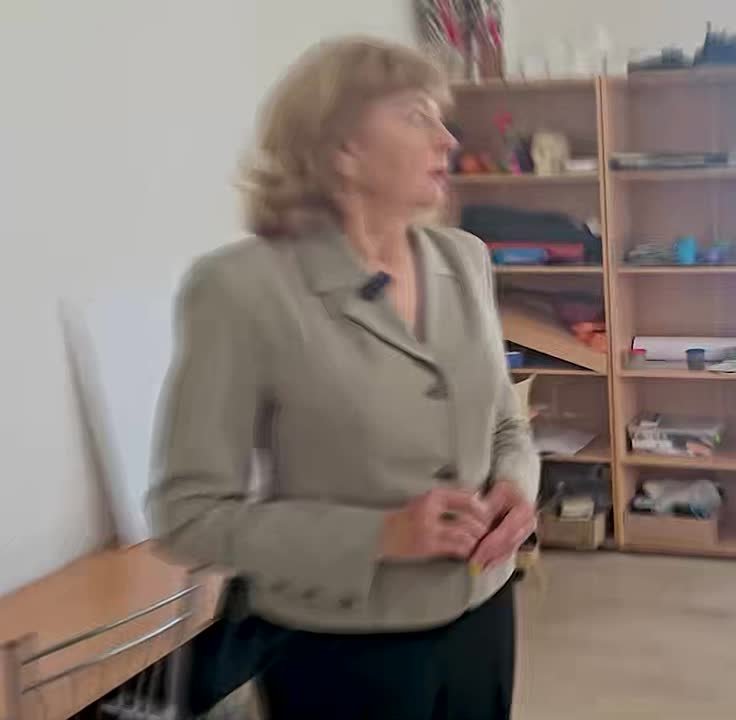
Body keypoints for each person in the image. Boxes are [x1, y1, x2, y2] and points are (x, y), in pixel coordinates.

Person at [149, 36, 539, 718]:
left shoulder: (465, 258)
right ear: (340, 148)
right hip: (337, 647)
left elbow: (506, 421)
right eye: (416, 116)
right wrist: (378, 536)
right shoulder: (240, 289)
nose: (448, 140)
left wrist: (516, 485)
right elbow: (189, 516)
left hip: (483, 614)